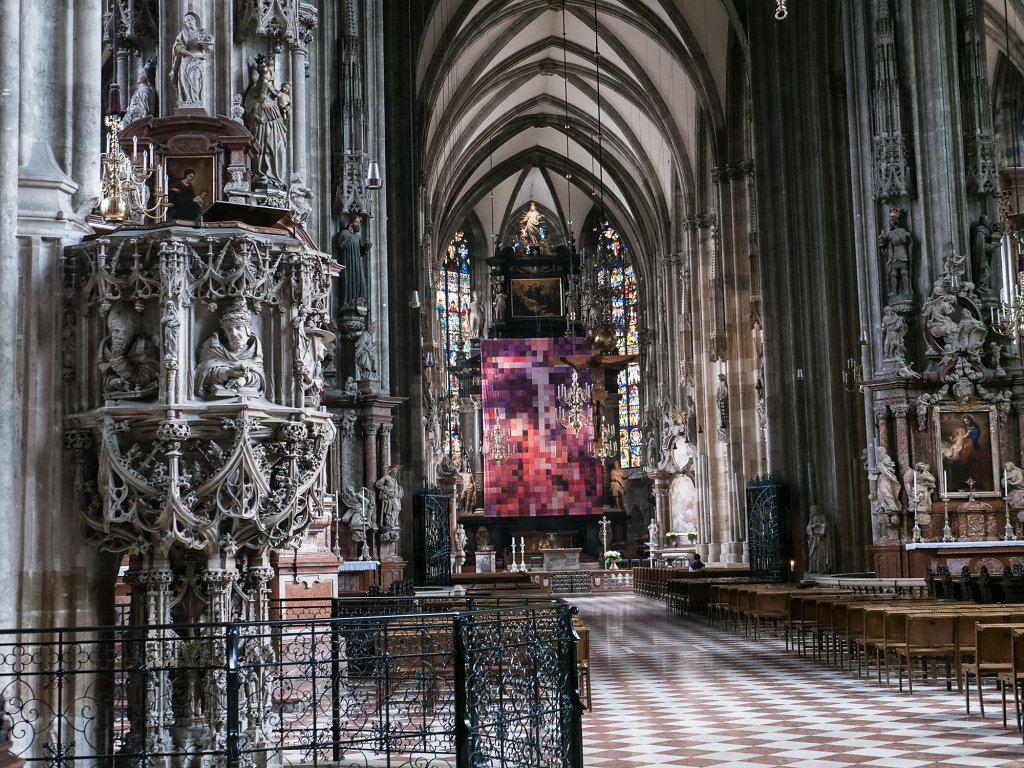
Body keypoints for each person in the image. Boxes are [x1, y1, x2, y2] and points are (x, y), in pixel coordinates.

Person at [195, 299, 266, 397]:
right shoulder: (212, 346)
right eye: (229, 329)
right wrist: (227, 373)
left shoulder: (254, 348)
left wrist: (244, 379)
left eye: (238, 328)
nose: (234, 334)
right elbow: (201, 375)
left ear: (247, 329)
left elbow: (259, 376)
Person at [243, 55, 288, 189]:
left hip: (276, 126)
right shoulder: (257, 89)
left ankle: (275, 176)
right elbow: (249, 106)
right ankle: (262, 174)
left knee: (278, 148)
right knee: (264, 147)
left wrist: (285, 112)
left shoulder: (273, 93)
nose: (272, 74)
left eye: (273, 71)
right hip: (262, 125)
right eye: (269, 71)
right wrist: (260, 108)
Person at [170, 12, 213, 107]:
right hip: (185, 61)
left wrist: (207, 44)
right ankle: (188, 98)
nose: (188, 22)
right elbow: (177, 47)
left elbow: (209, 49)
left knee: (194, 79)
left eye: (190, 19)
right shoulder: (183, 33)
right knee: (184, 81)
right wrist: (189, 53)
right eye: (186, 21)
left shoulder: (202, 33)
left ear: (194, 20)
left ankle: (196, 100)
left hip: (197, 61)